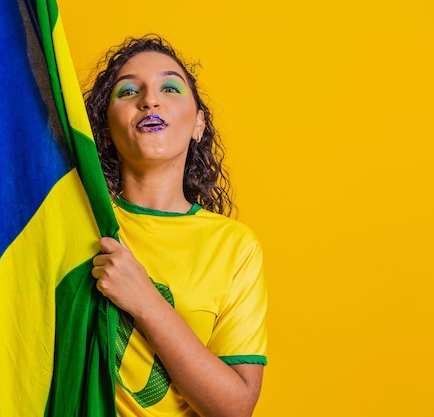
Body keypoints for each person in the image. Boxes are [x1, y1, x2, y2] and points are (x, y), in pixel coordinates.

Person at [86, 35, 268, 417]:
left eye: (169, 88)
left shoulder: (233, 247)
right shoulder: (79, 221)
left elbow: (235, 409)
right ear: (104, 128)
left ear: (198, 123)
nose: (149, 100)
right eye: (128, 91)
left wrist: (145, 300)